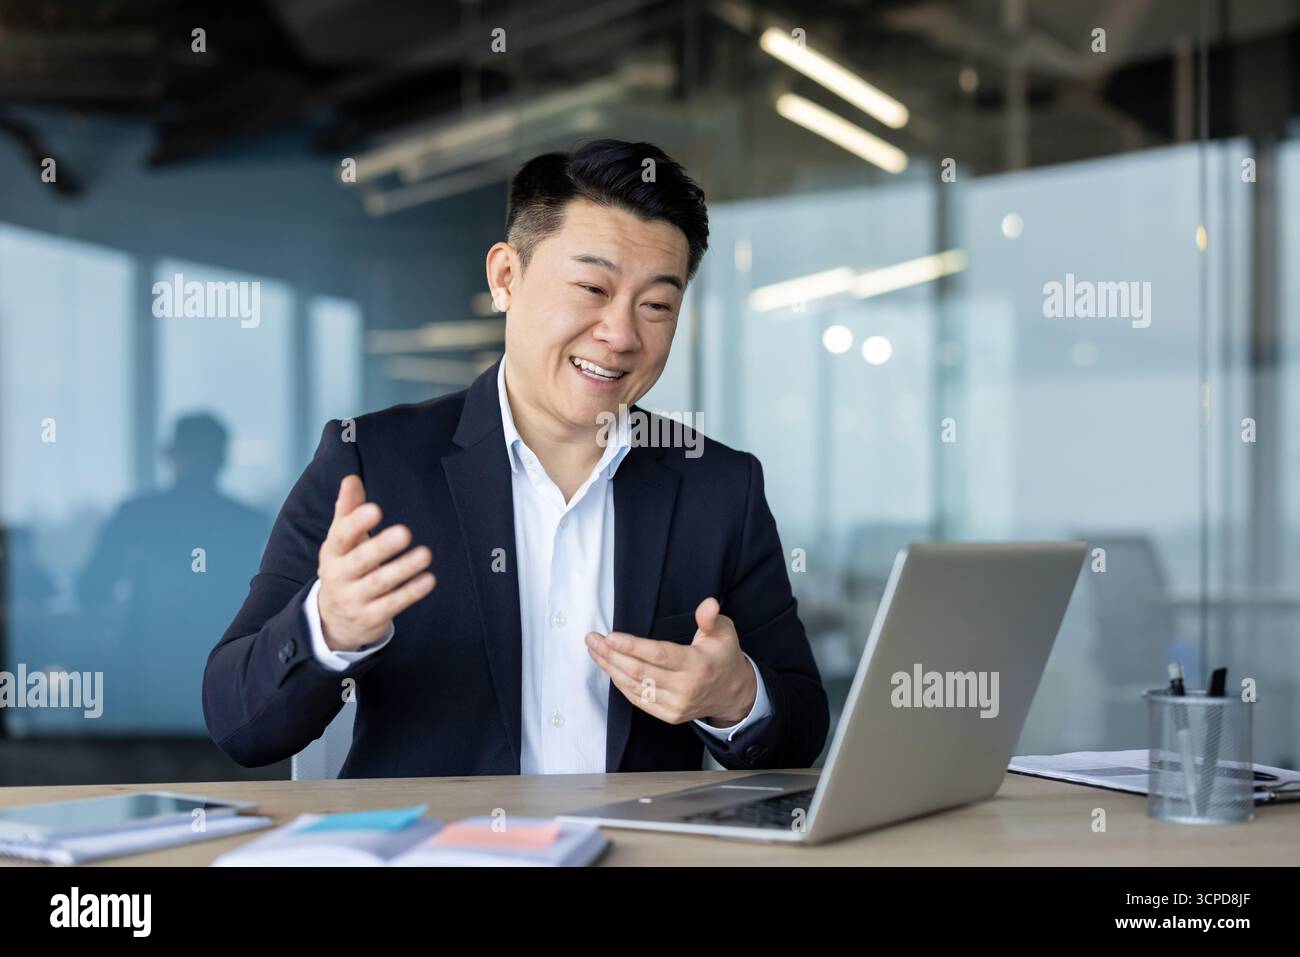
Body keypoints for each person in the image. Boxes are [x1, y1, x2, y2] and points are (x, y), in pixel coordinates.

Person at [203, 139, 828, 776]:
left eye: (656, 306)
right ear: (506, 277)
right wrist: (327, 627)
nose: (620, 335)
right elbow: (238, 723)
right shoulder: (371, 465)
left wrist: (734, 697)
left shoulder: (718, 485)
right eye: (591, 287)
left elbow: (803, 724)